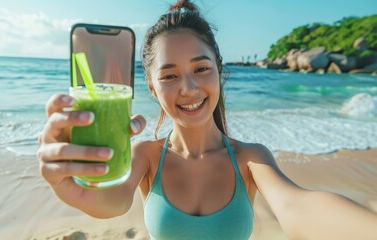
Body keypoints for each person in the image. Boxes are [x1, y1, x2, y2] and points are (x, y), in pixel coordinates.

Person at [37, 1, 377, 239]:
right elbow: (112, 202)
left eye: (201, 69)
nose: (189, 88)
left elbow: (297, 206)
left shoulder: (250, 159)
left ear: (219, 71)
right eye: (169, 76)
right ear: (152, 89)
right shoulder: (144, 156)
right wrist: (71, 188)